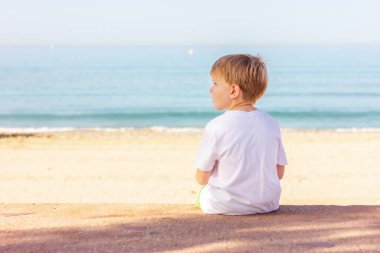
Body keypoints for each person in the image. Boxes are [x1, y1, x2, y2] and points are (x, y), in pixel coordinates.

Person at [195, 54, 287, 215]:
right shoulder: (271, 123)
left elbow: (201, 178)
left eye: (215, 84)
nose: (211, 89)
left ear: (233, 90)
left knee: (202, 193)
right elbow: (279, 173)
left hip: (224, 206)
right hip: (267, 204)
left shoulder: (216, 126)